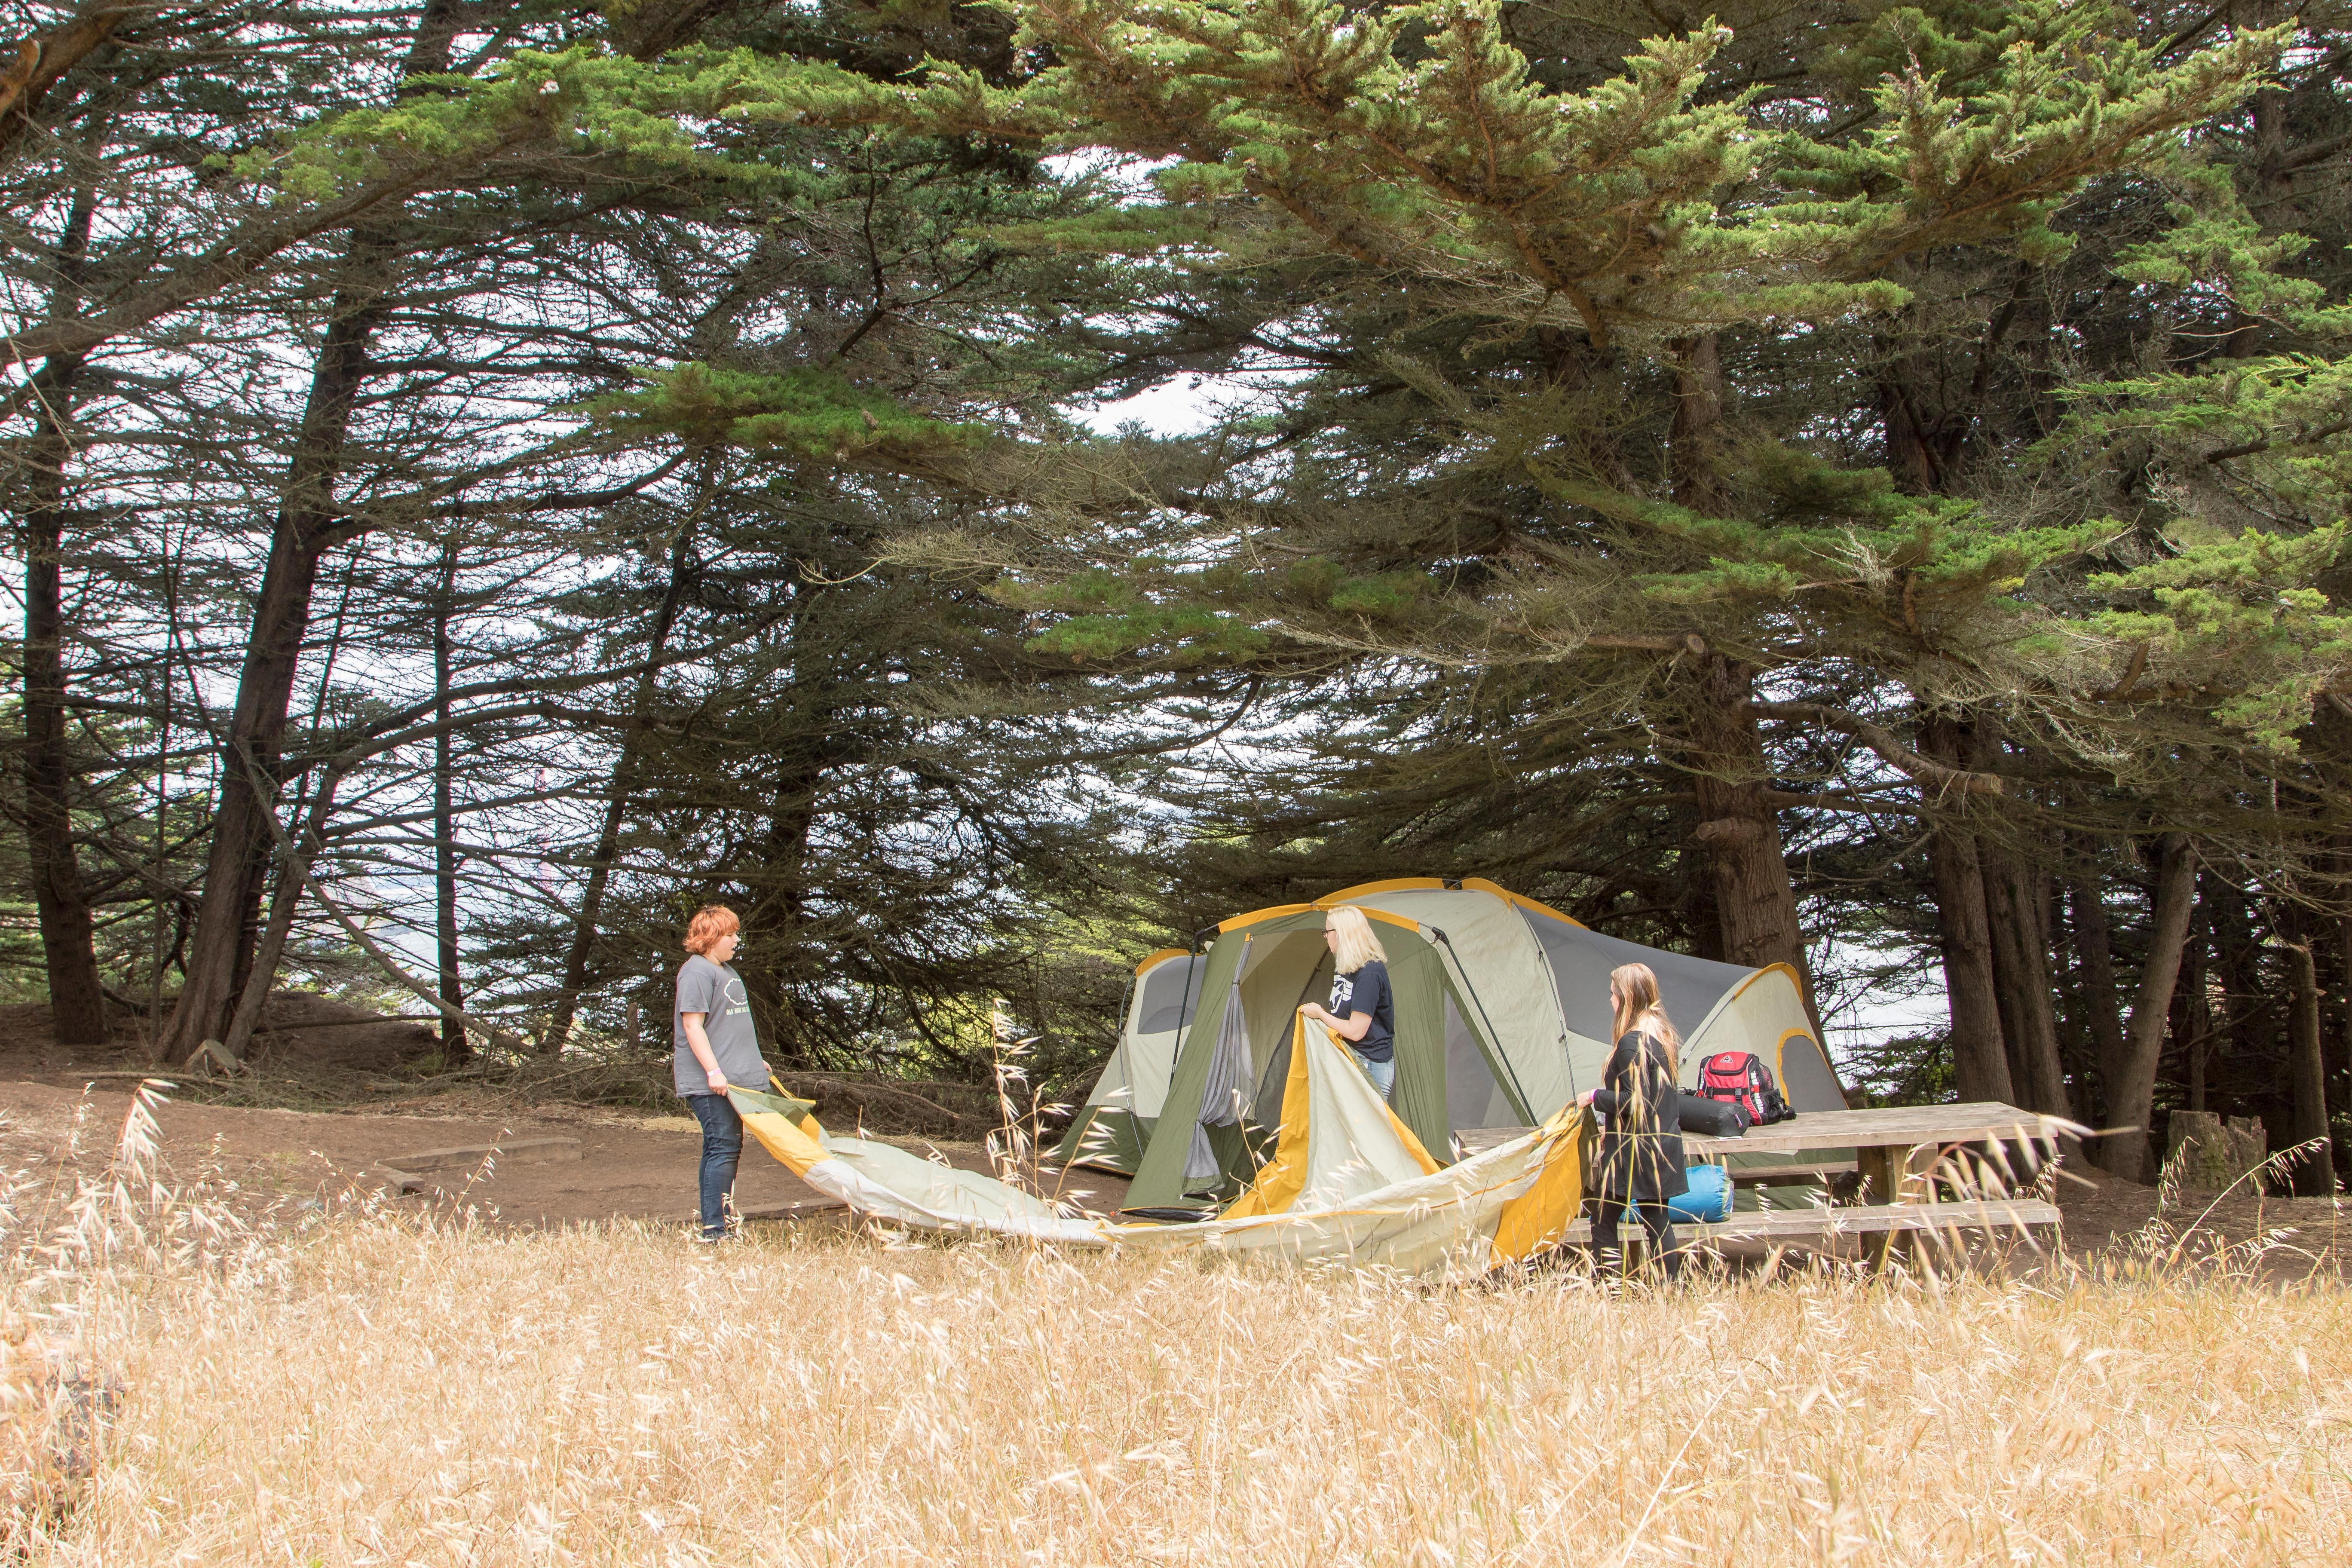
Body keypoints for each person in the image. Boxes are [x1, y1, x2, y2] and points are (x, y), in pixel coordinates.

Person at [1577, 962, 1686, 1280]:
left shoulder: (1632, 1043)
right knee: (1657, 1221)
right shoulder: (1661, 1035)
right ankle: (1671, 1291)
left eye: (1613, 994)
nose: (1609, 1000)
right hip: (1661, 1144)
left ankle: (1610, 1290)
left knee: (1603, 1219)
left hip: (1634, 1152)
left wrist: (1594, 1097)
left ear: (1626, 998)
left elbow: (1634, 1101)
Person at [674, 904, 768, 1242]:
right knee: (722, 1147)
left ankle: (718, 1223)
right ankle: (715, 1231)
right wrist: (714, 1072)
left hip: (733, 1077)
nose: (736, 940)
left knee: (723, 1147)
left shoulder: (725, 970)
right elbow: (692, 1025)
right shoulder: (697, 972)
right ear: (712, 937)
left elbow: (729, 1026)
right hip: (710, 1083)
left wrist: (753, 1062)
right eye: (730, 934)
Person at [1298, 905, 1397, 1099]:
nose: (1326, 936)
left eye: (1327, 932)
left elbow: (1356, 1031)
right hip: (1350, 1057)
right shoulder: (1346, 967)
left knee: (1367, 1129)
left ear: (1342, 933)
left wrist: (1321, 1015)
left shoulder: (1370, 973)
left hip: (1369, 1064)